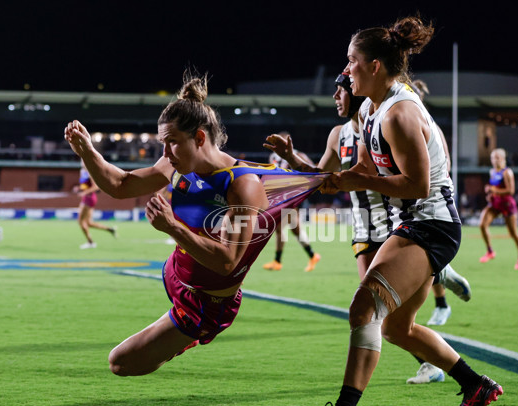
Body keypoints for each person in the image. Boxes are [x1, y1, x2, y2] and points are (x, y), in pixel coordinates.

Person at [295, 17, 502, 406]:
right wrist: (342, 178)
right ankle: (475, 385)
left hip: (431, 225)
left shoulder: (400, 113)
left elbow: (418, 184)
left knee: (363, 309)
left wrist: (357, 180)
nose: (346, 69)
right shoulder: (373, 108)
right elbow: (369, 167)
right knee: (395, 329)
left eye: (351, 62)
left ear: (374, 66)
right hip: (413, 223)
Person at [64, 73, 326, 378]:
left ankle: (185, 339)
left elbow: (227, 262)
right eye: (163, 143)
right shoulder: (175, 165)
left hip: (205, 304)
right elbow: (121, 184)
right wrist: (87, 151)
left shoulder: (241, 186)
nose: (164, 154)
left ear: (199, 138)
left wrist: (173, 227)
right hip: (175, 274)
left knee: (121, 363)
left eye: (172, 143)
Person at [265, 73, 471, 387]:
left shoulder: (391, 122)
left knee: (371, 312)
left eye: (340, 89)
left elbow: (430, 177)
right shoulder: (339, 134)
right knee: (384, 318)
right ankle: (445, 360)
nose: (335, 96)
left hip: (398, 227)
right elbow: (324, 178)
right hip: (363, 230)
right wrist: (292, 158)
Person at [411, 79, 471, 329]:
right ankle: (443, 284)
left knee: (423, 253)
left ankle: (441, 304)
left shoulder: (424, 123)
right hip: (414, 197)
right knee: (420, 255)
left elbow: (443, 162)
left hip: (426, 198)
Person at [263, 131, 321, 272]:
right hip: (280, 196)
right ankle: (312, 255)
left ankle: (277, 261)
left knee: (279, 228)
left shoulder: (297, 155)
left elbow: (312, 170)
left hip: (290, 197)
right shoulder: (273, 155)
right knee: (295, 230)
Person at [479, 148, 518, 269]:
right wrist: (489, 193)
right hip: (495, 203)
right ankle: (490, 251)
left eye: (497, 158)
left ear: (503, 159)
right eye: (493, 158)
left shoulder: (507, 172)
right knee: (482, 224)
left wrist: (494, 190)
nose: (494, 160)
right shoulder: (492, 171)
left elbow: (511, 191)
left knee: (513, 233)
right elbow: (493, 187)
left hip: (507, 204)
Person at [73, 160, 117, 249]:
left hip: (89, 198)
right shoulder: (82, 171)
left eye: (84, 161)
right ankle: (110, 229)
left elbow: (96, 187)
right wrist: (79, 188)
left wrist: (85, 193)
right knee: (89, 223)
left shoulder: (90, 172)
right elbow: (85, 185)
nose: (82, 162)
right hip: (87, 198)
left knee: (80, 221)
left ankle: (90, 242)